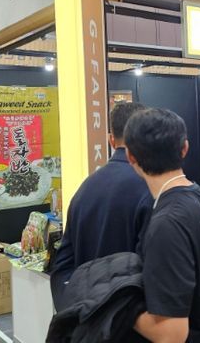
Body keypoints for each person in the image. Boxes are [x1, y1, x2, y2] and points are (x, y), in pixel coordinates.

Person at [127, 108, 200, 342]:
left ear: (130, 156)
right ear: (185, 148)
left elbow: (171, 334)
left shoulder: (167, 224)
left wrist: (121, 309)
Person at [50, 103, 152, 311]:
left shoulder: (84, 189)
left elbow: (62, 266)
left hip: (90, 317)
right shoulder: (150, 188)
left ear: (111, 140)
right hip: (132, 318)